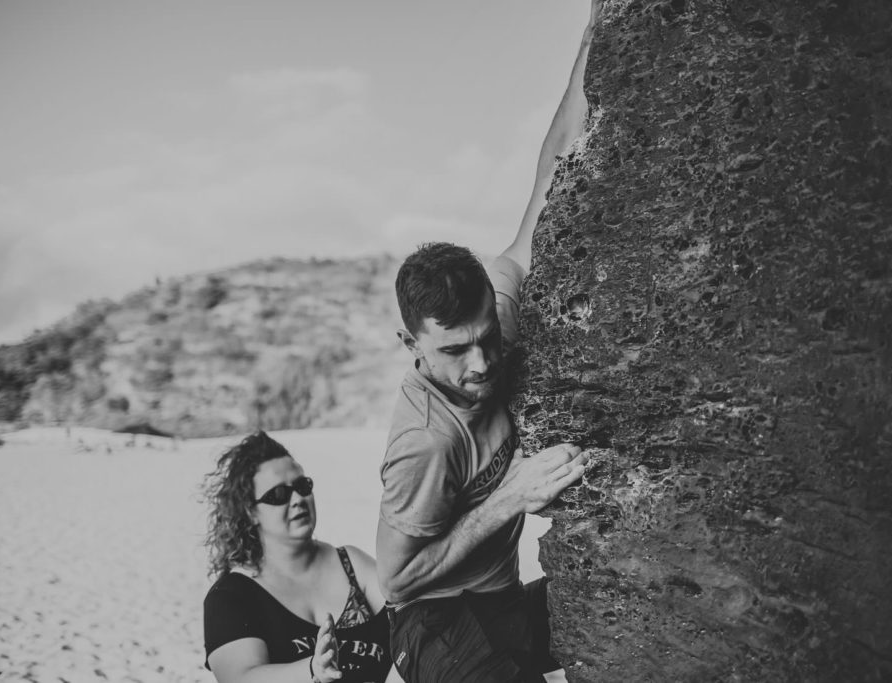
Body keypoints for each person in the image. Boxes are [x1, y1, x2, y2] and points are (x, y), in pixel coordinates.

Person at [375, 2, 601, 682]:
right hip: (430, 617)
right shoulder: (424, 440)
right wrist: (511, 497)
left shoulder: (494, 308)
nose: (479, 364)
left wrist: (598, 38)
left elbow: (548, 178)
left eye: (484, 339)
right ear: (410, 344)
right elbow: (398, 578)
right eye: (453, 351)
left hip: (498, 593)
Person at [202, 431, 398, 683]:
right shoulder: (231, 595)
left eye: (302, 486)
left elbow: (414, 619)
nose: (297, 500)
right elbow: (240, 677)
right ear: (250, 512)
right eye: (278, 495)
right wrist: (312, 670)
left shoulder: (351, 564)